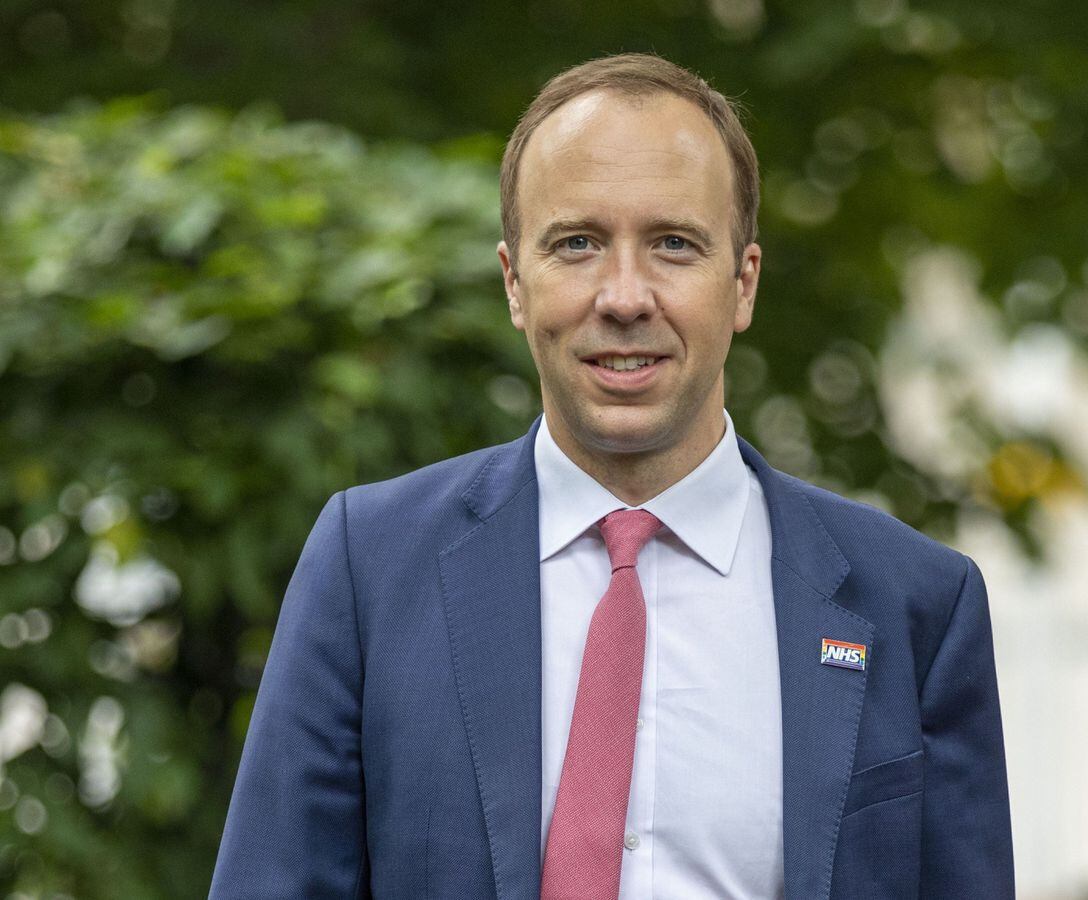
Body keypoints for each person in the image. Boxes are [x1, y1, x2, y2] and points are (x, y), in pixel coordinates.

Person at [210, 53, 1014, 899]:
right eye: (578, 244)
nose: (625, 296)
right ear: (515, 284)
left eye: (673, 244)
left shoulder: (915, 605)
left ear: (742, 284)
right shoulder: (369, 568)